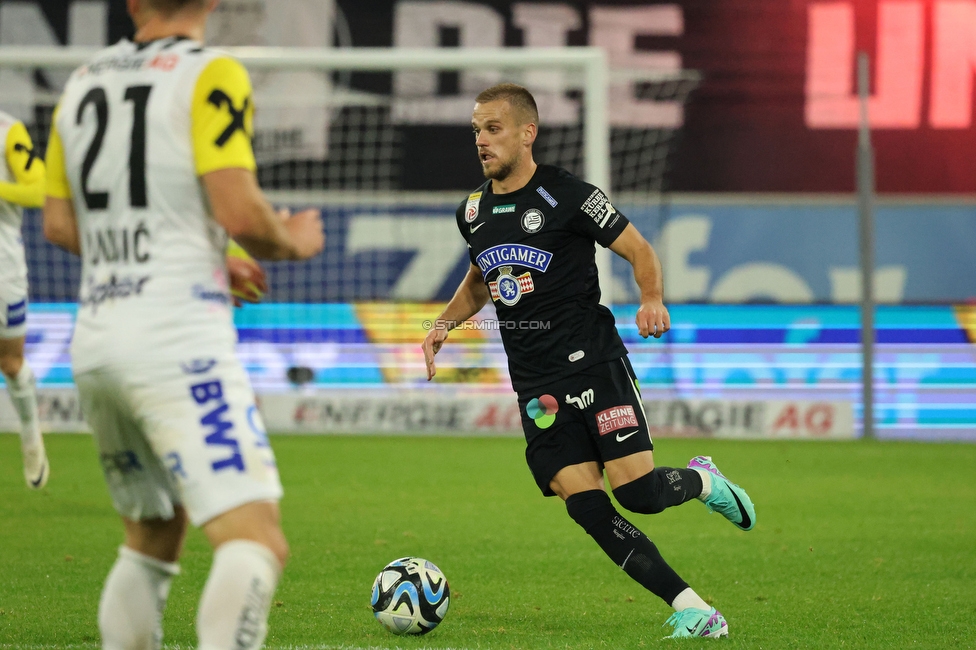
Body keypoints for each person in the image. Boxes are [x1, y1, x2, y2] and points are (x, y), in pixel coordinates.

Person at [422, 83, 756, 639]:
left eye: (493, 128)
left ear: (527, 133)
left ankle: (702, 482)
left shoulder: (569, 194)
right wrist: (442, 324)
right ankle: (694, 608)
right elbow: (483, 281)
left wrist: (651, 298)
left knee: (638, 495)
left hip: (592, 364)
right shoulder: (473, 211)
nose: (481, 141)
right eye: (476, 130)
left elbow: (639, 250)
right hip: (536, 386)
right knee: (586, 506)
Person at [42, 1, 324, 648]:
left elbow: (59, 225)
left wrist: (200, 257)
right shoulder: (211, 72)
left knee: (150, 540)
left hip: (97, 340)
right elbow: (242, 213)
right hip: (176, 341)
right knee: (256, 541)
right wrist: (294, 242)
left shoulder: (82, 81)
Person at [0, 110, 49, 489]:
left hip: (4, 268)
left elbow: (37, 190)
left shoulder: (8, 131)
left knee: (11, 362)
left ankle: (31, 435)